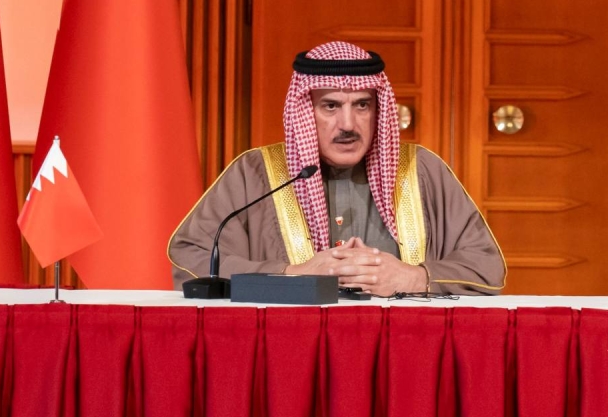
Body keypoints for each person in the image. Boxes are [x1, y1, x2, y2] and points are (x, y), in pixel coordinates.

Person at [168, 42, 506, 295]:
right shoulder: (255, 173)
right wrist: (291, 274)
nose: (348, 124)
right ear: (306, 111)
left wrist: (416, 277)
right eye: (330, 106)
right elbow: (192, 259)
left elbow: (487, 267)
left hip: (405, 348)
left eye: (362, 105)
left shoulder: (421, 171)